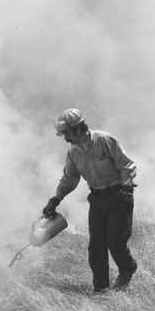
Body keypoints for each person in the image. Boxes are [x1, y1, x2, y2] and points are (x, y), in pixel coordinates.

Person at [42, 108, 138, 294]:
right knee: (96, 246)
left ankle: (127, 270)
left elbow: (127, 165)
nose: (65, 138)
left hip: (118, 195)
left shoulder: (104, 140)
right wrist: (55, 200)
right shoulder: (74, 152)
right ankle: (100, 289)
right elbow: (69, 179)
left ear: (77, 128)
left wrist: (126, 187)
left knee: (115, 242)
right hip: (97, 199)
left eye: (67, 133)